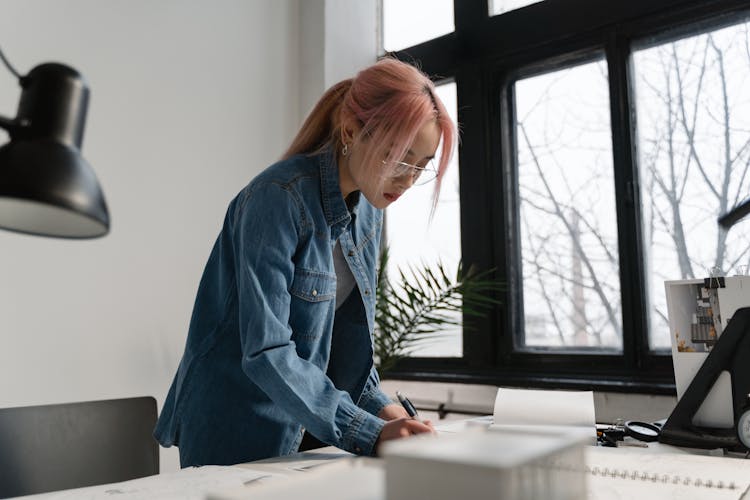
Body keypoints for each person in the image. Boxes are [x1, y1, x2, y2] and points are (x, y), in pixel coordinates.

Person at [153, 57, 457, 467]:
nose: (407, 179)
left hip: (306, 431)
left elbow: (345, 353)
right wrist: (367, 431)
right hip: (236, 429)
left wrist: (387, 412)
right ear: (351, 131)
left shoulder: (369, 210)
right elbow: (268, 351)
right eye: (399, 159)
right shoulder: (277, 198)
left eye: (421, 167)